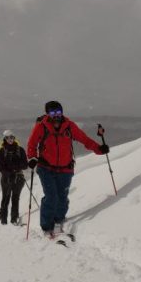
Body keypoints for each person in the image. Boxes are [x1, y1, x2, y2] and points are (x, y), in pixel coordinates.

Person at [26, 100, 109, 238]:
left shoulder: (69, 126)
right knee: (51, 197)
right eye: (53, 112)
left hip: (65, 169)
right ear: (47, 113)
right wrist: (32, 158)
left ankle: (58, 222)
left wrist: (99, 149)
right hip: (46, 168)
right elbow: (32, 144)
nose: (56, 115)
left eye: (59, 112)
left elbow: (85, 140)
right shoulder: (41, 126)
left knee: (62, 198)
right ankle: (47, 227)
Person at [0, 130, 28, 225]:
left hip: (16, 178)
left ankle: (13, 219)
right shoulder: (2, 151)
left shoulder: (20, 150)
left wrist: (13, 169)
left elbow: (25, 165)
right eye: (7, 138)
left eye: (11, 137)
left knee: (15, 198)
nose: (10, 139)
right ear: (5, 139)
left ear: (14, 138)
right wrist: (13, 170)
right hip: (8, 178)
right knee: (6, 198)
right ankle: (4, 221)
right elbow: (0, 167)